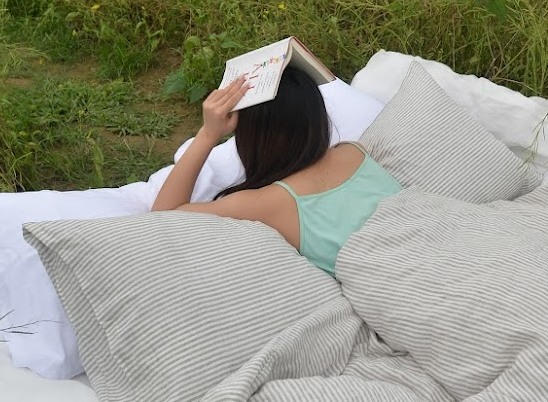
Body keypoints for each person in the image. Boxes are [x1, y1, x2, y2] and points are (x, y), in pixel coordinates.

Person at [150, 67, 402, 276]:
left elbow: (164, 215)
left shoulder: (267, 204)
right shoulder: (353, 152)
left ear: (254, 138)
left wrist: (208, 133)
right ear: (316, 115)